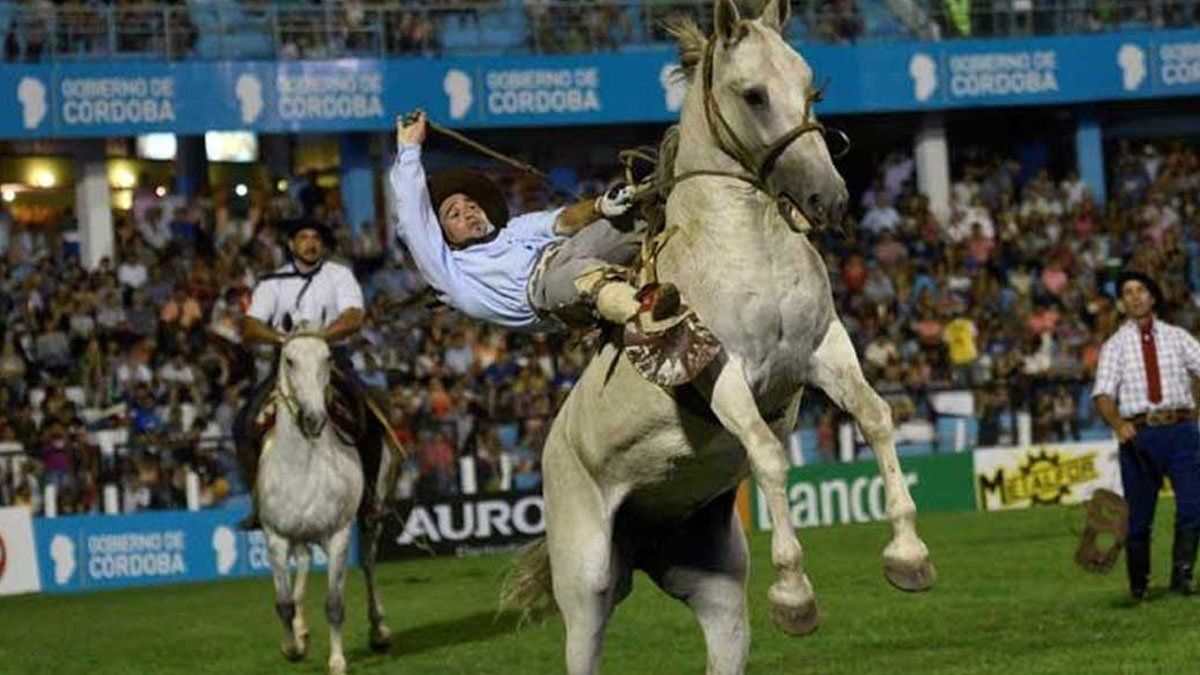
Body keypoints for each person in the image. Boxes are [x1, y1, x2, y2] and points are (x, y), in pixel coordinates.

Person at [389, 110, 681, 337]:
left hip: (568, 252)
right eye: (454, 214)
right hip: (543, 294)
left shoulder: (515, 229)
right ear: (444, 236)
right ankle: (646, 308)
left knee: (641, 214)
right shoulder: (452, 273)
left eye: (472, 206)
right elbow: (413, 220)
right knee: (576, 275)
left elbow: (563, 221)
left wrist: (601, 204)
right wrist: (409, 149)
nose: (467, 212)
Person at [232, 217, 384, 529]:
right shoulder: (272, 282)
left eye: (316, 237)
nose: (310, 243)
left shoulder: (339, 275)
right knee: (242, 424)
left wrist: (321, 337)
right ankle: (258, 502)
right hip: (288, 362)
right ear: (291, 245)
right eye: (303, 237)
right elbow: (250, 325)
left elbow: (354, 316)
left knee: (370, 417)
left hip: (332, 358)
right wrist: (280, 339)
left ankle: (369, 499)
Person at [1093, 269, 1200, 601]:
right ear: (1123, 303)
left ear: (1152, 298)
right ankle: (1139, 586)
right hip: (1140, 436)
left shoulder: (1178, 337)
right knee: (1139, 517)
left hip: (1181, 431)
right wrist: (1117, 423)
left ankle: (1181, 578)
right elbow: (1103, 394)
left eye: (1141, 290)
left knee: (1193, 506)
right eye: (1128, 292)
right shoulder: (1114, 346)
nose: (1135, 296)